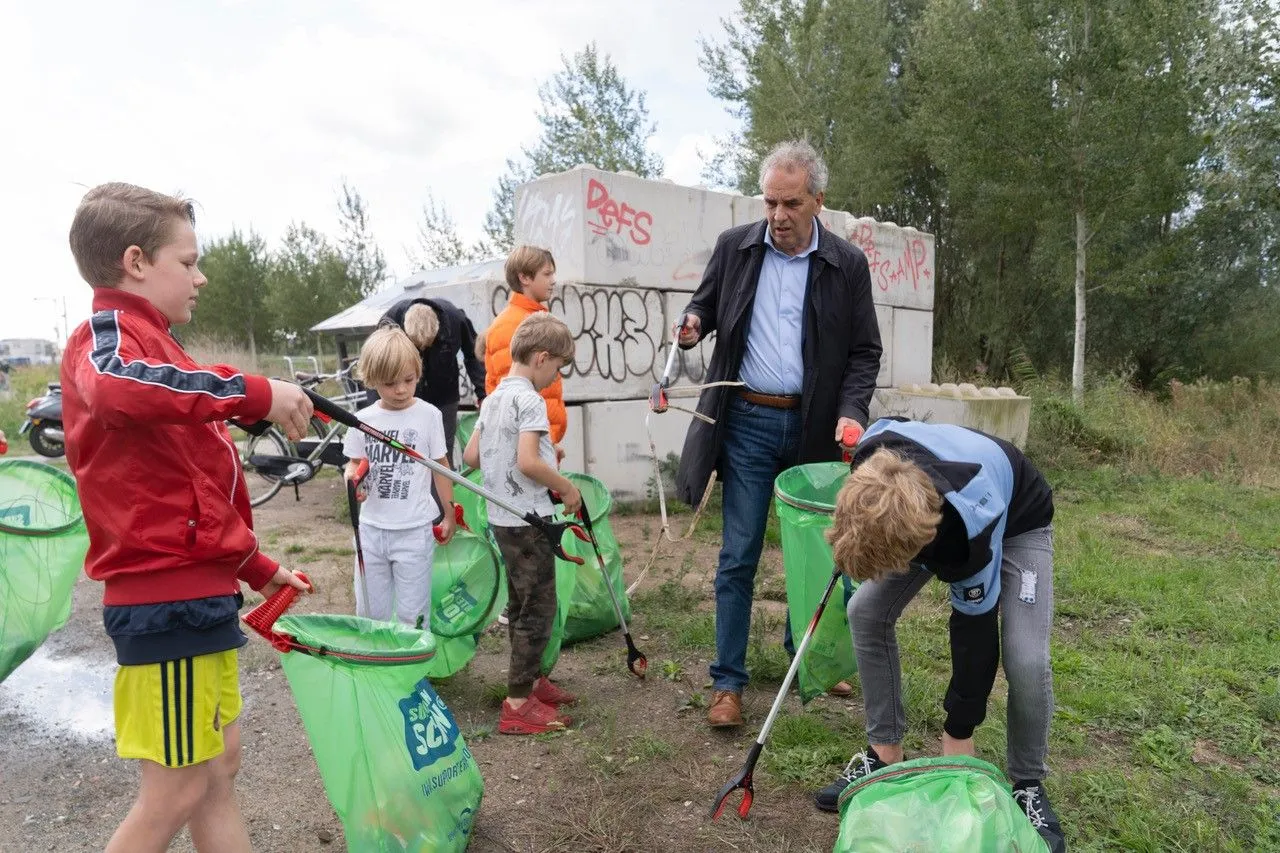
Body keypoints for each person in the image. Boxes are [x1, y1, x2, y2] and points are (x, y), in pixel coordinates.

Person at [61, 182, 314, 853]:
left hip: (200, 597)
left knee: (218, 771)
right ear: (136, 262)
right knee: (174, 789)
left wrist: (256, 567)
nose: (200, 278)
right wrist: (251, 391)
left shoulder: (163, 351)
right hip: (161, 604)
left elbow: (192, 489)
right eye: (189, 261)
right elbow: (118, 385)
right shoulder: (107, 337)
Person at [674, 140, 883, 728]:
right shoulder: (735, 248)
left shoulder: (847, 264)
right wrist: (693, 324)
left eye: (791, 203)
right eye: (770, 202)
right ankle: (727, 683)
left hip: (817, 430)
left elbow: (864, 351)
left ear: (818, 200)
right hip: (747, 423)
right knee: (738, 553)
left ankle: (809, 660)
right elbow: (703, 306)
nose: (778, 215)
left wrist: (852, 411)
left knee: (815, 556)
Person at [813, 418, 1064, 851]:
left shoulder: (968, 536)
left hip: (1016, 517)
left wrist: (958, 733)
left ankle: (1027, 783)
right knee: (865, 611)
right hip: (920, 501)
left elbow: (974, 639)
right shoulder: (869, 463)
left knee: (1026, 659)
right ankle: (883, 753)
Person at [463, 313, 581, 735]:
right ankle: (517, 703)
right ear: (541, 358)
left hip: (502, 518)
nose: (555, 377)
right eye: (557, 368)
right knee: (539, 607)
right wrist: (565, 486)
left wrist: (547, 454)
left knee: (520, 603)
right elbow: (528, 462)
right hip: (530, 519)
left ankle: (530, 682)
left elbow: (472, 457)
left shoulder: (493, 397)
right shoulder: (530, 400)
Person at [342, 325, 456, 626]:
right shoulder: (361, 420)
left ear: (418, 372)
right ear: (371, 379)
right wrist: (353, 481)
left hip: (414, 531)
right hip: (371, 531)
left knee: (413, 615)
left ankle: (413, 657)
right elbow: (353, 464)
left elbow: (441, 466)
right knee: (370, 613)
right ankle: (374, 656)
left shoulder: (429, 415)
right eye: (390, 383)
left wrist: (449, 513)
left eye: (409, 379)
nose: (401, 390)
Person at [375, 295, 486, 458]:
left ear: (438, 328)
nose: (423, 350)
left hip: (445, 394)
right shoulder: (391, 321)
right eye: (417, 346)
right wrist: (378, 408)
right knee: (410, 448)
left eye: (428, 345)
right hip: (407, 397)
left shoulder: (455, 319)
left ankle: (445, 473)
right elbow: (378, 366)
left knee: (443, 448)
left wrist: (483, 394)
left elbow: (473, 355)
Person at [485, 245, 568, 449]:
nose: (553, 280)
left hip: (536, 439)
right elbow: (514, 394)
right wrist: (541, 442)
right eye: (547, 274)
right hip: (528, 444)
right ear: (524, 278)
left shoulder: (529, 320)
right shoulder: (515, 325)